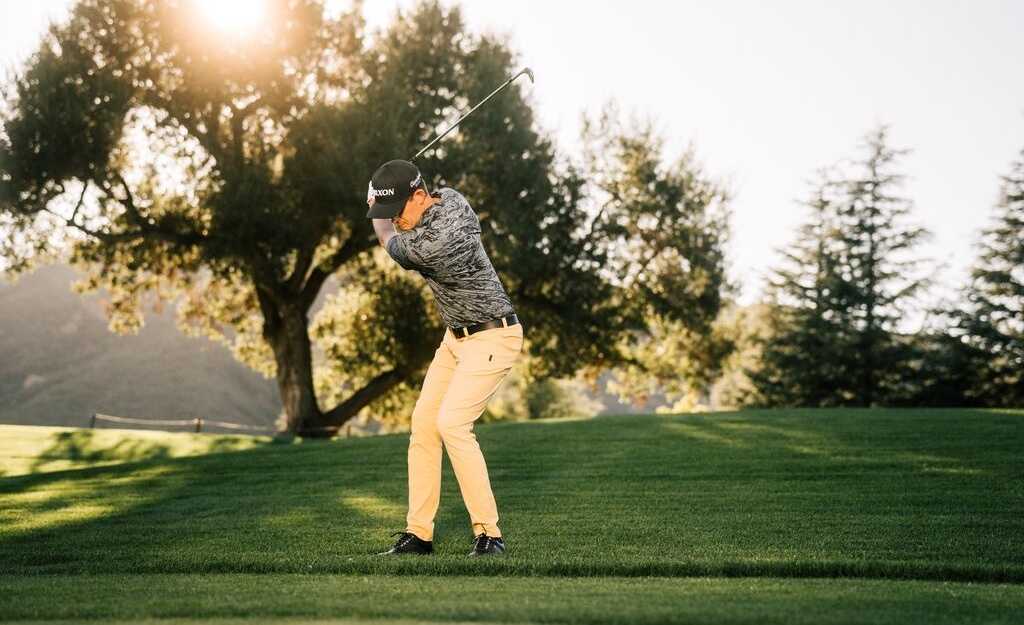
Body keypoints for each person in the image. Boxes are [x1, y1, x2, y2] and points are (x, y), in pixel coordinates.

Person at [366, 159, 523, 557]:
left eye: (397, 211)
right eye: (389, 213)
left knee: (452, 424)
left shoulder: (435, 243)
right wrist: (383, 196)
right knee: (424, 425)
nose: (393, 220)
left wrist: (374, 212)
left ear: (419, 196)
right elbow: (407, 215)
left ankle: (490, 535)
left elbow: (391, 243)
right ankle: (419, 535)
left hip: (494, 336)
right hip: (455, 339)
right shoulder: (451, 198)